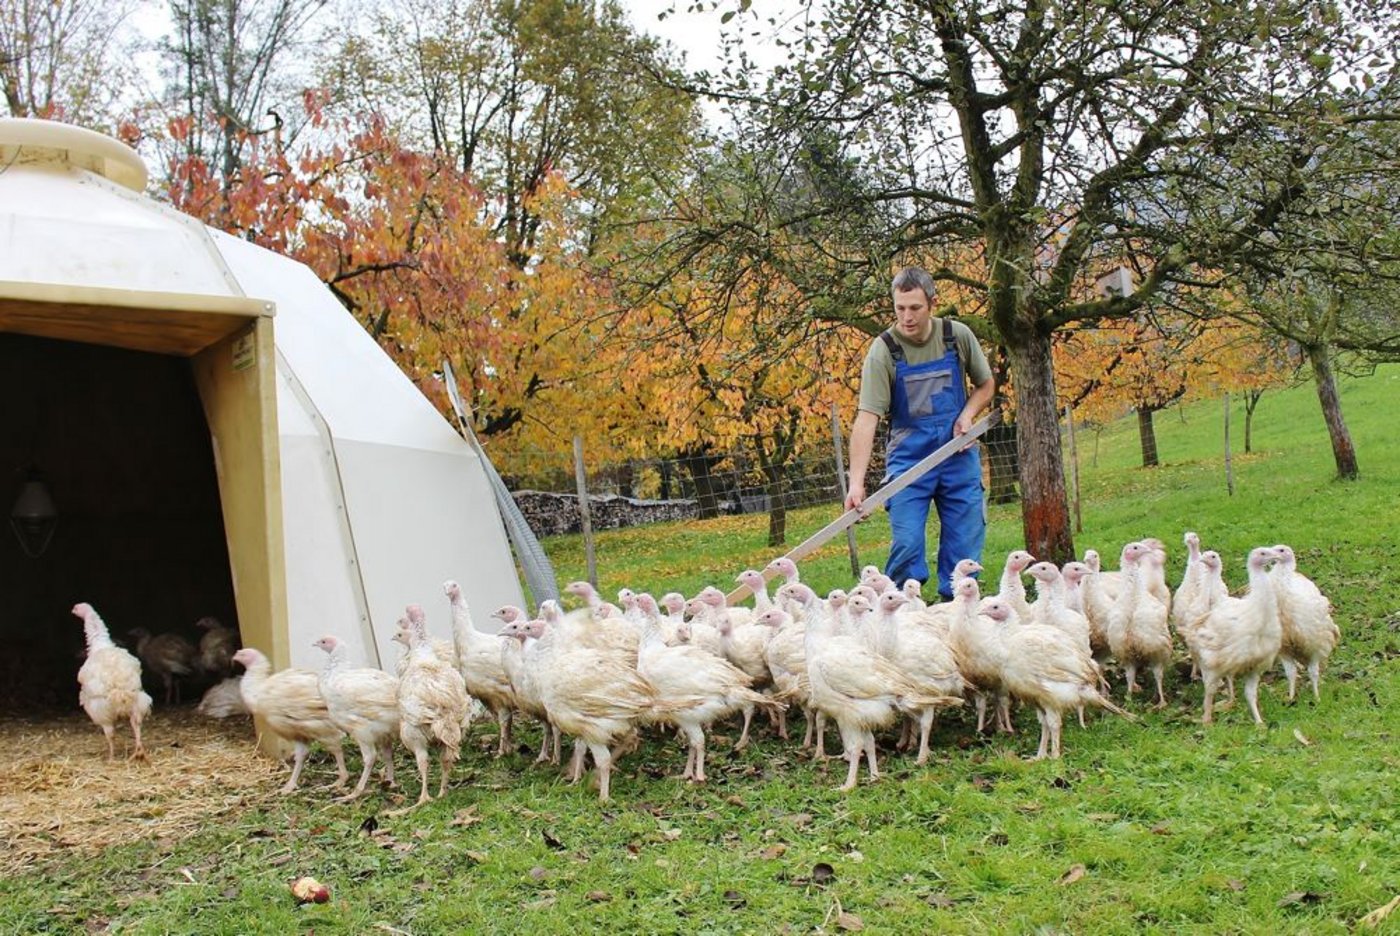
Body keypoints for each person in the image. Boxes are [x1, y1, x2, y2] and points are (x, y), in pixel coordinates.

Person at [844, 266, 995, 601]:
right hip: (909, 460)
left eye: (915, 308)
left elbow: (986, 385)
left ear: (932, 304)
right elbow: (866, 418)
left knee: (964, 544)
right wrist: (856, 483)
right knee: (907, 543)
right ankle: (899, 612)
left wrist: (968, 415)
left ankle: (957, 614)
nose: (906, 317)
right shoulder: (883, 350)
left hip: (957, 454)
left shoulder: (957, 336)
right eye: (900, 308)